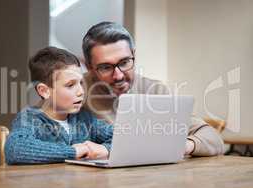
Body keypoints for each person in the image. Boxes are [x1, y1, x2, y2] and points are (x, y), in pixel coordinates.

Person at [82, 21, 225, 156]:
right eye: (106, 67)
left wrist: (184, 146)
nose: (118, 76)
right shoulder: (75, 90)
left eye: (124, 62)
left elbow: (214, 139)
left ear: (134, 55)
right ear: (90, 68)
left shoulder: (156, 91)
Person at [5, 46, 113, 164]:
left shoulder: (84, 118)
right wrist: (72, 152)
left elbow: (121, 137)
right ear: (44, 91)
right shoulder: (29, 118)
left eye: (81, 83)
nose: (81, 91)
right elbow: (15, 149)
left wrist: (106, 149)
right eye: (70, 85)